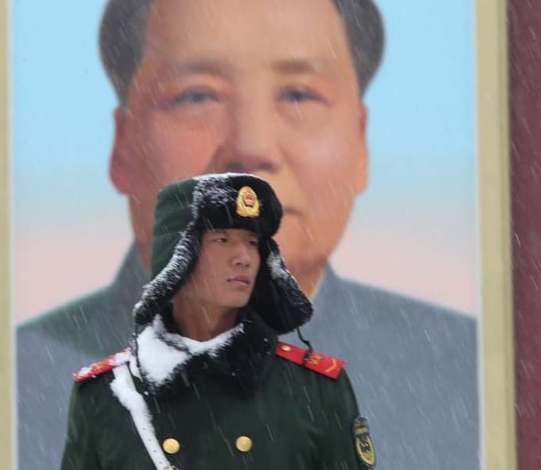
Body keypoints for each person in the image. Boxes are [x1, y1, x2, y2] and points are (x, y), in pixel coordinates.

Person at [18, 0, 478, 469]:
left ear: (361, 142)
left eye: (299, 95)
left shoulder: (452, 366)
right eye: (197, 96)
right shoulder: (51, 378)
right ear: (122, 145)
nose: (251, 146)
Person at [61, 173, 376, 469]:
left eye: (252, 242)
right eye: (222, 240)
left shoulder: (313, 390)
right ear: (177, 256)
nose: (244, 257)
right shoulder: (107, 395)